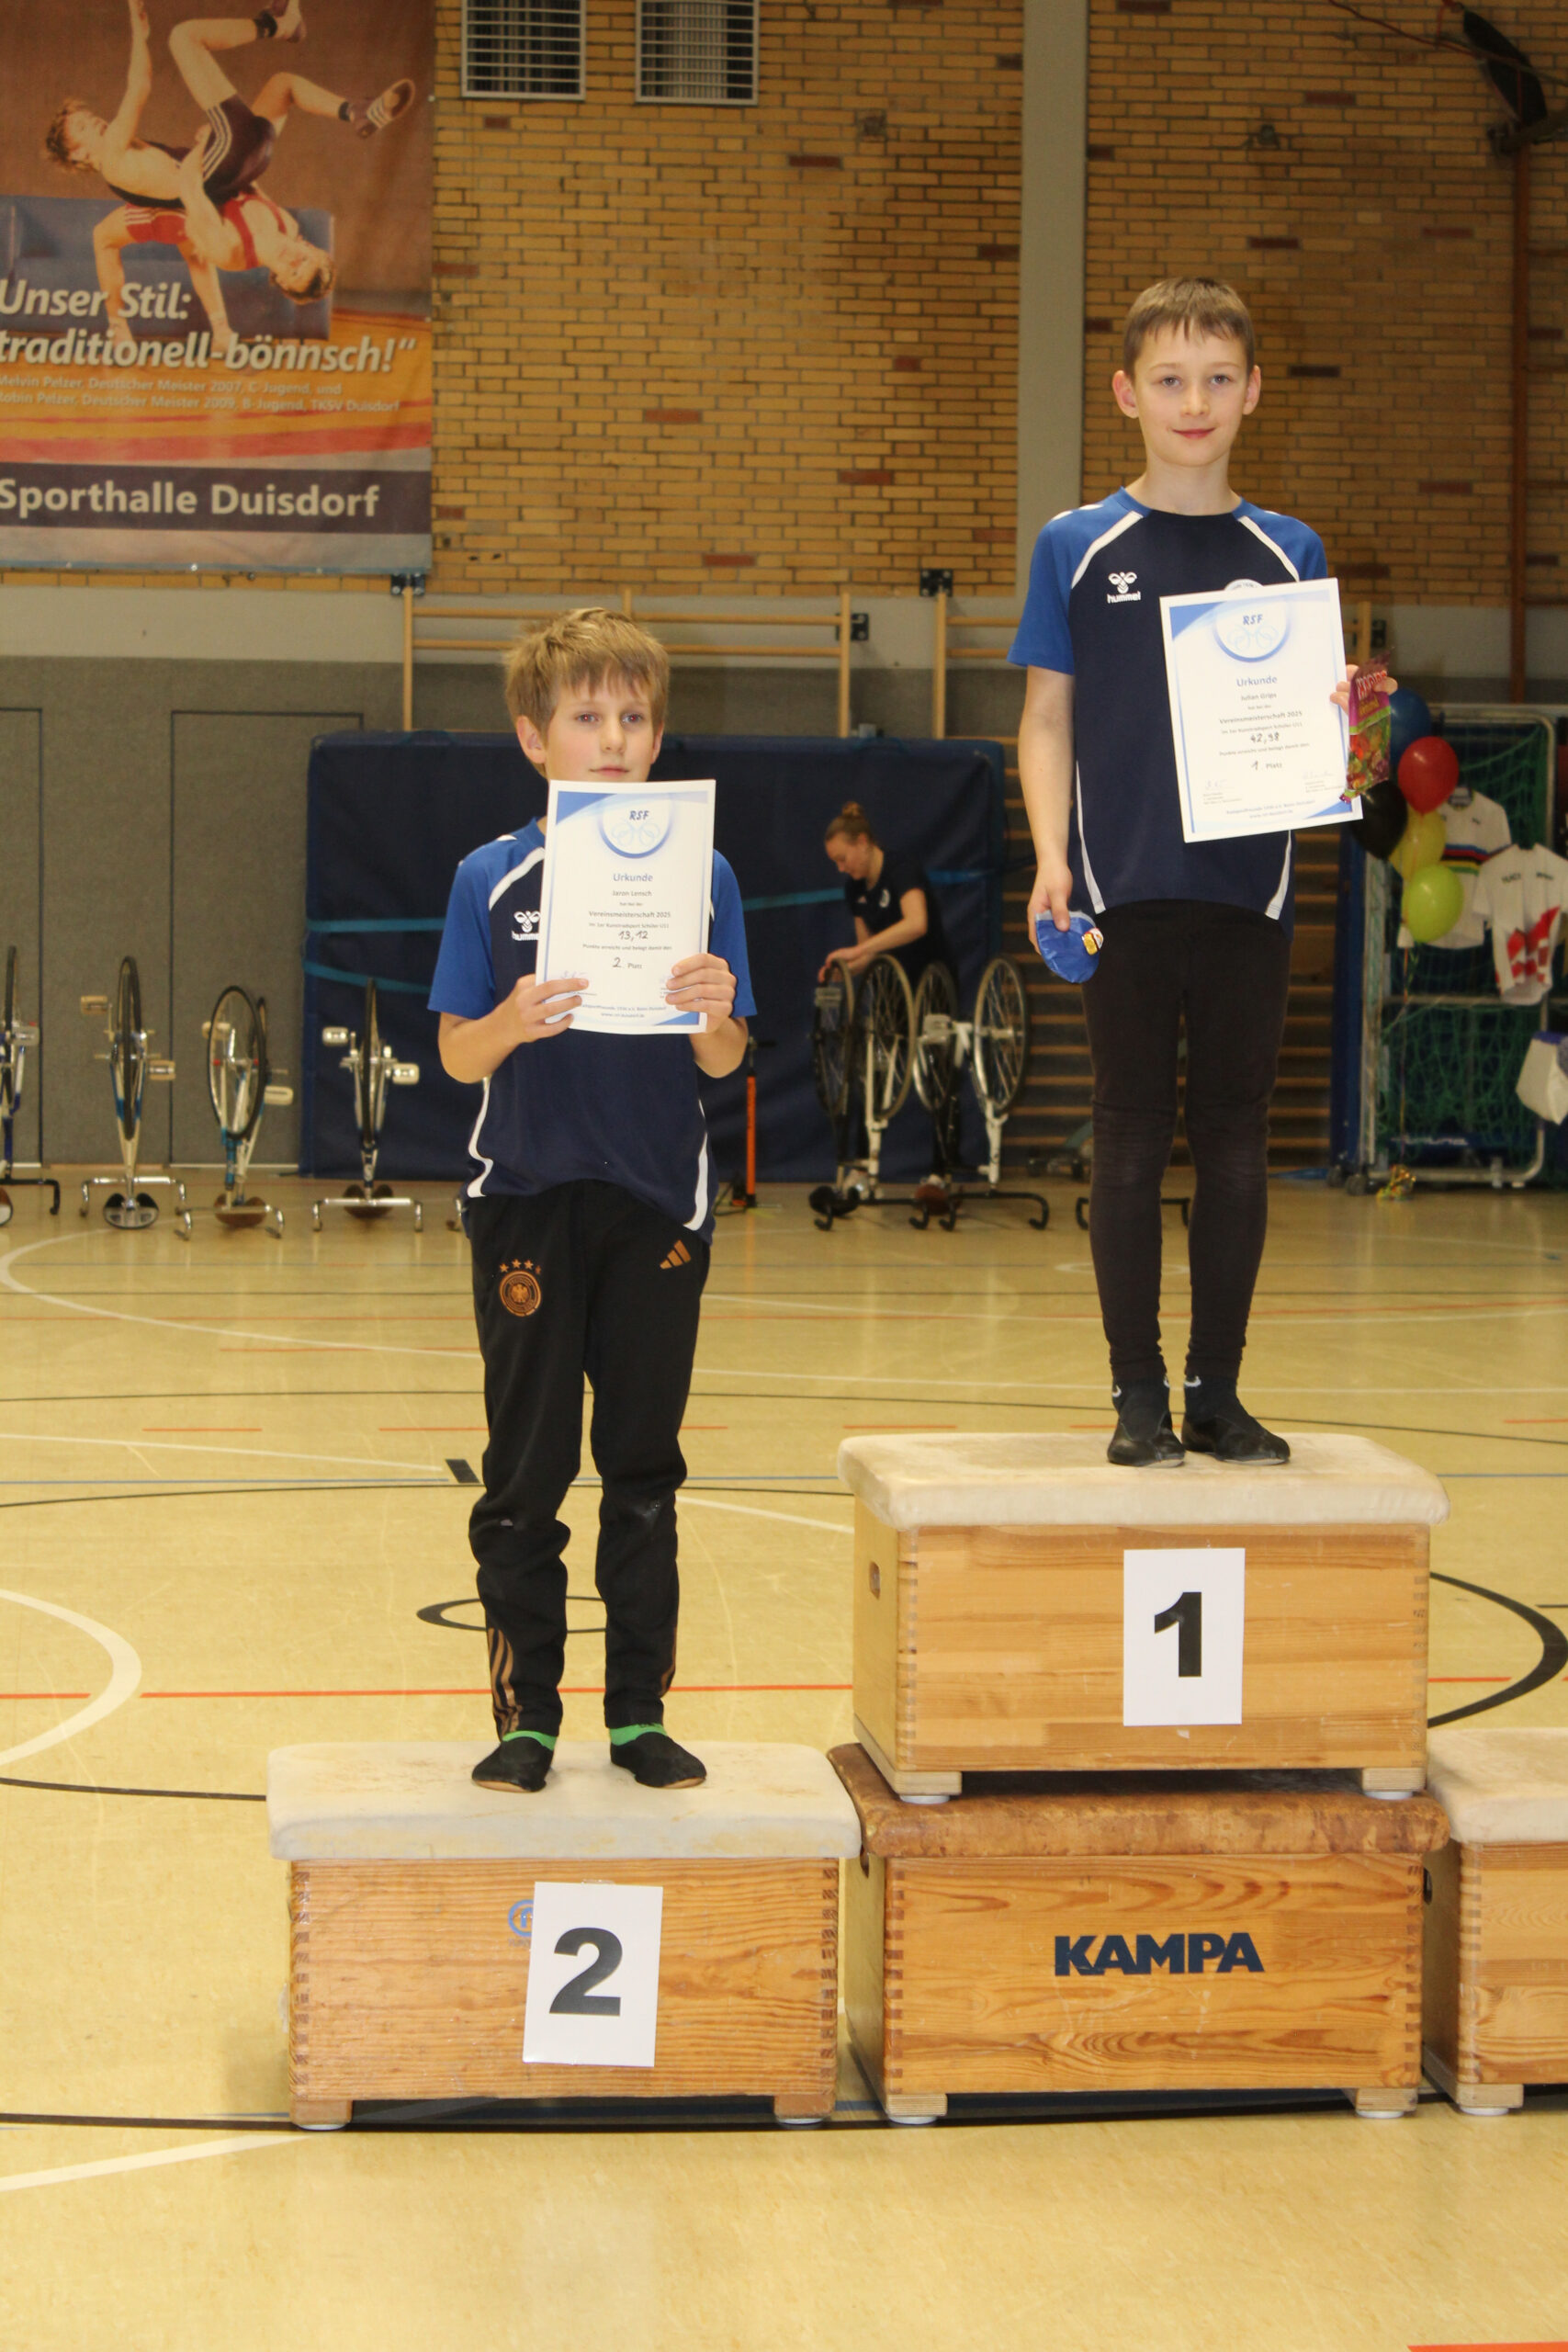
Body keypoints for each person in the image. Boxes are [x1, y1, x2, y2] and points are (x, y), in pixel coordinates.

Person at [1011, 276, 1357, 1471]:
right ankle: (1137, 1396)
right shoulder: (1076, 545)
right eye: (1169, 379)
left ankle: (1215, 1394)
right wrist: (1050, 857)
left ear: (1252, 391)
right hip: (1118, 891)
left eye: (1216, 379)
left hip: (1249, 894)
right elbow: (1045, 717)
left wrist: (1347, 722)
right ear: (1126, 394)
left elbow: (1323, 730)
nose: (1192, 401)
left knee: (1232, 1140)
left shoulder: (1289, 551)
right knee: (1124, 1133)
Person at [430, 610, 755, 1796]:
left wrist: (714, 1010)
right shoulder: (489, 877)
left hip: (655, 1205)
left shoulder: (703, 874)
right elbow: (455, 1055)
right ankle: (526, 1720)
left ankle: (636, 1716)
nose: (612, 739)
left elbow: (726, 1057)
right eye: (586, 716)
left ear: (658, 736)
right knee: (525, 1474)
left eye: (632, 717)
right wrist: (509, 1021)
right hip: (524, 1200)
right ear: (535, 737)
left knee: (641, 1469)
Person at [50, 0, 414, 323]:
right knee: (204, 48)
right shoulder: (279, 229)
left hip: (223, 165)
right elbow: (140, 88)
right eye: (303, 261)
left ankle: (351, 106)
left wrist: (207, 144)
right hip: (230, 163)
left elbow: (194, 182)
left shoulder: (232, 249)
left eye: (294, 269)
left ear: (281, 279)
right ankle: (312, 65)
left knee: (261, 74)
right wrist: (208, 142)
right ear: (310, 247)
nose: (294, 259)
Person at [819, 802, 948, 985]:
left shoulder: (902, 868)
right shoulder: (853, 888)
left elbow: (917, 924)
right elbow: (869, 955)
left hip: (931, 981)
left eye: (842, 859)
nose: (840, 868)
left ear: (862, 842)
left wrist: (858, 950)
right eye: (836, 862)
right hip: (891, 989)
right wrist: (845, 971)